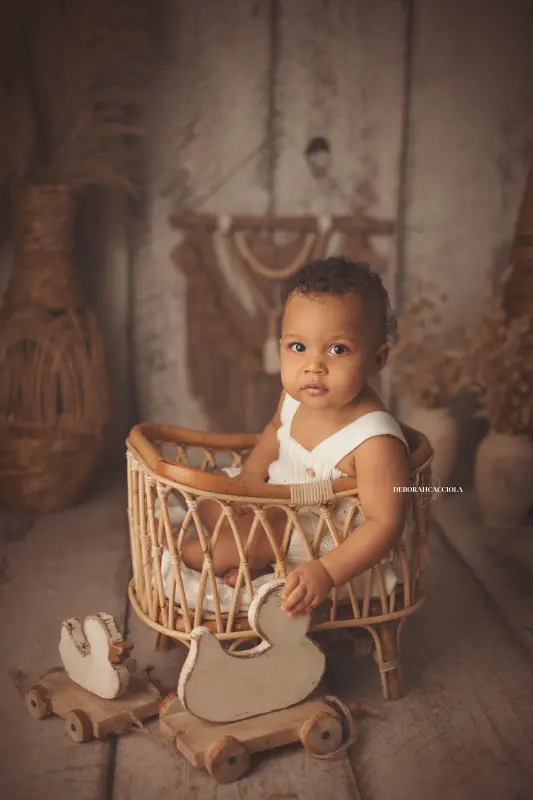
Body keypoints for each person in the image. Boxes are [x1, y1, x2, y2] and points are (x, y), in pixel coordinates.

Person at [180, 256, 410, 618]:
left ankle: (178, 552)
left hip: (315, 540)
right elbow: (275, 430)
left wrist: (327, 572)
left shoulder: (374, 440)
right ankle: (249, 556)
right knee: (213, 490)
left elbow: (386, 524)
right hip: (275, 500)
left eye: (338, 349)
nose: (313, 366)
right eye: (298, 347)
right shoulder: (295, 397)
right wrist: (250, 478)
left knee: (239, 541)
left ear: (377, 359)